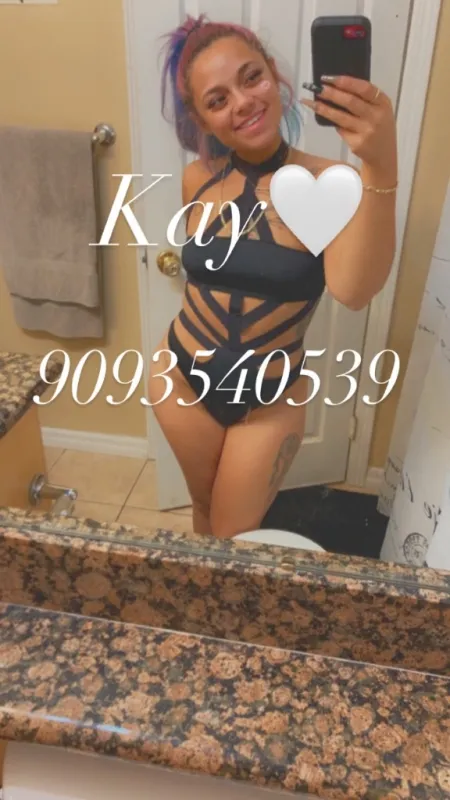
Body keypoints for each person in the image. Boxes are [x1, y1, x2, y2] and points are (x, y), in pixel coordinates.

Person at [148, 14, 398, 539]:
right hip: (181, 378)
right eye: (217, 99)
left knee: (235, 537)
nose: (242, 102)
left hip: (268, 400)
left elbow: (354, 292)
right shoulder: (197, 179)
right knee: (203, 511)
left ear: (275, 78)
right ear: (202, 119)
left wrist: (381, 165)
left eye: (251, 78)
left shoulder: (332, 183)